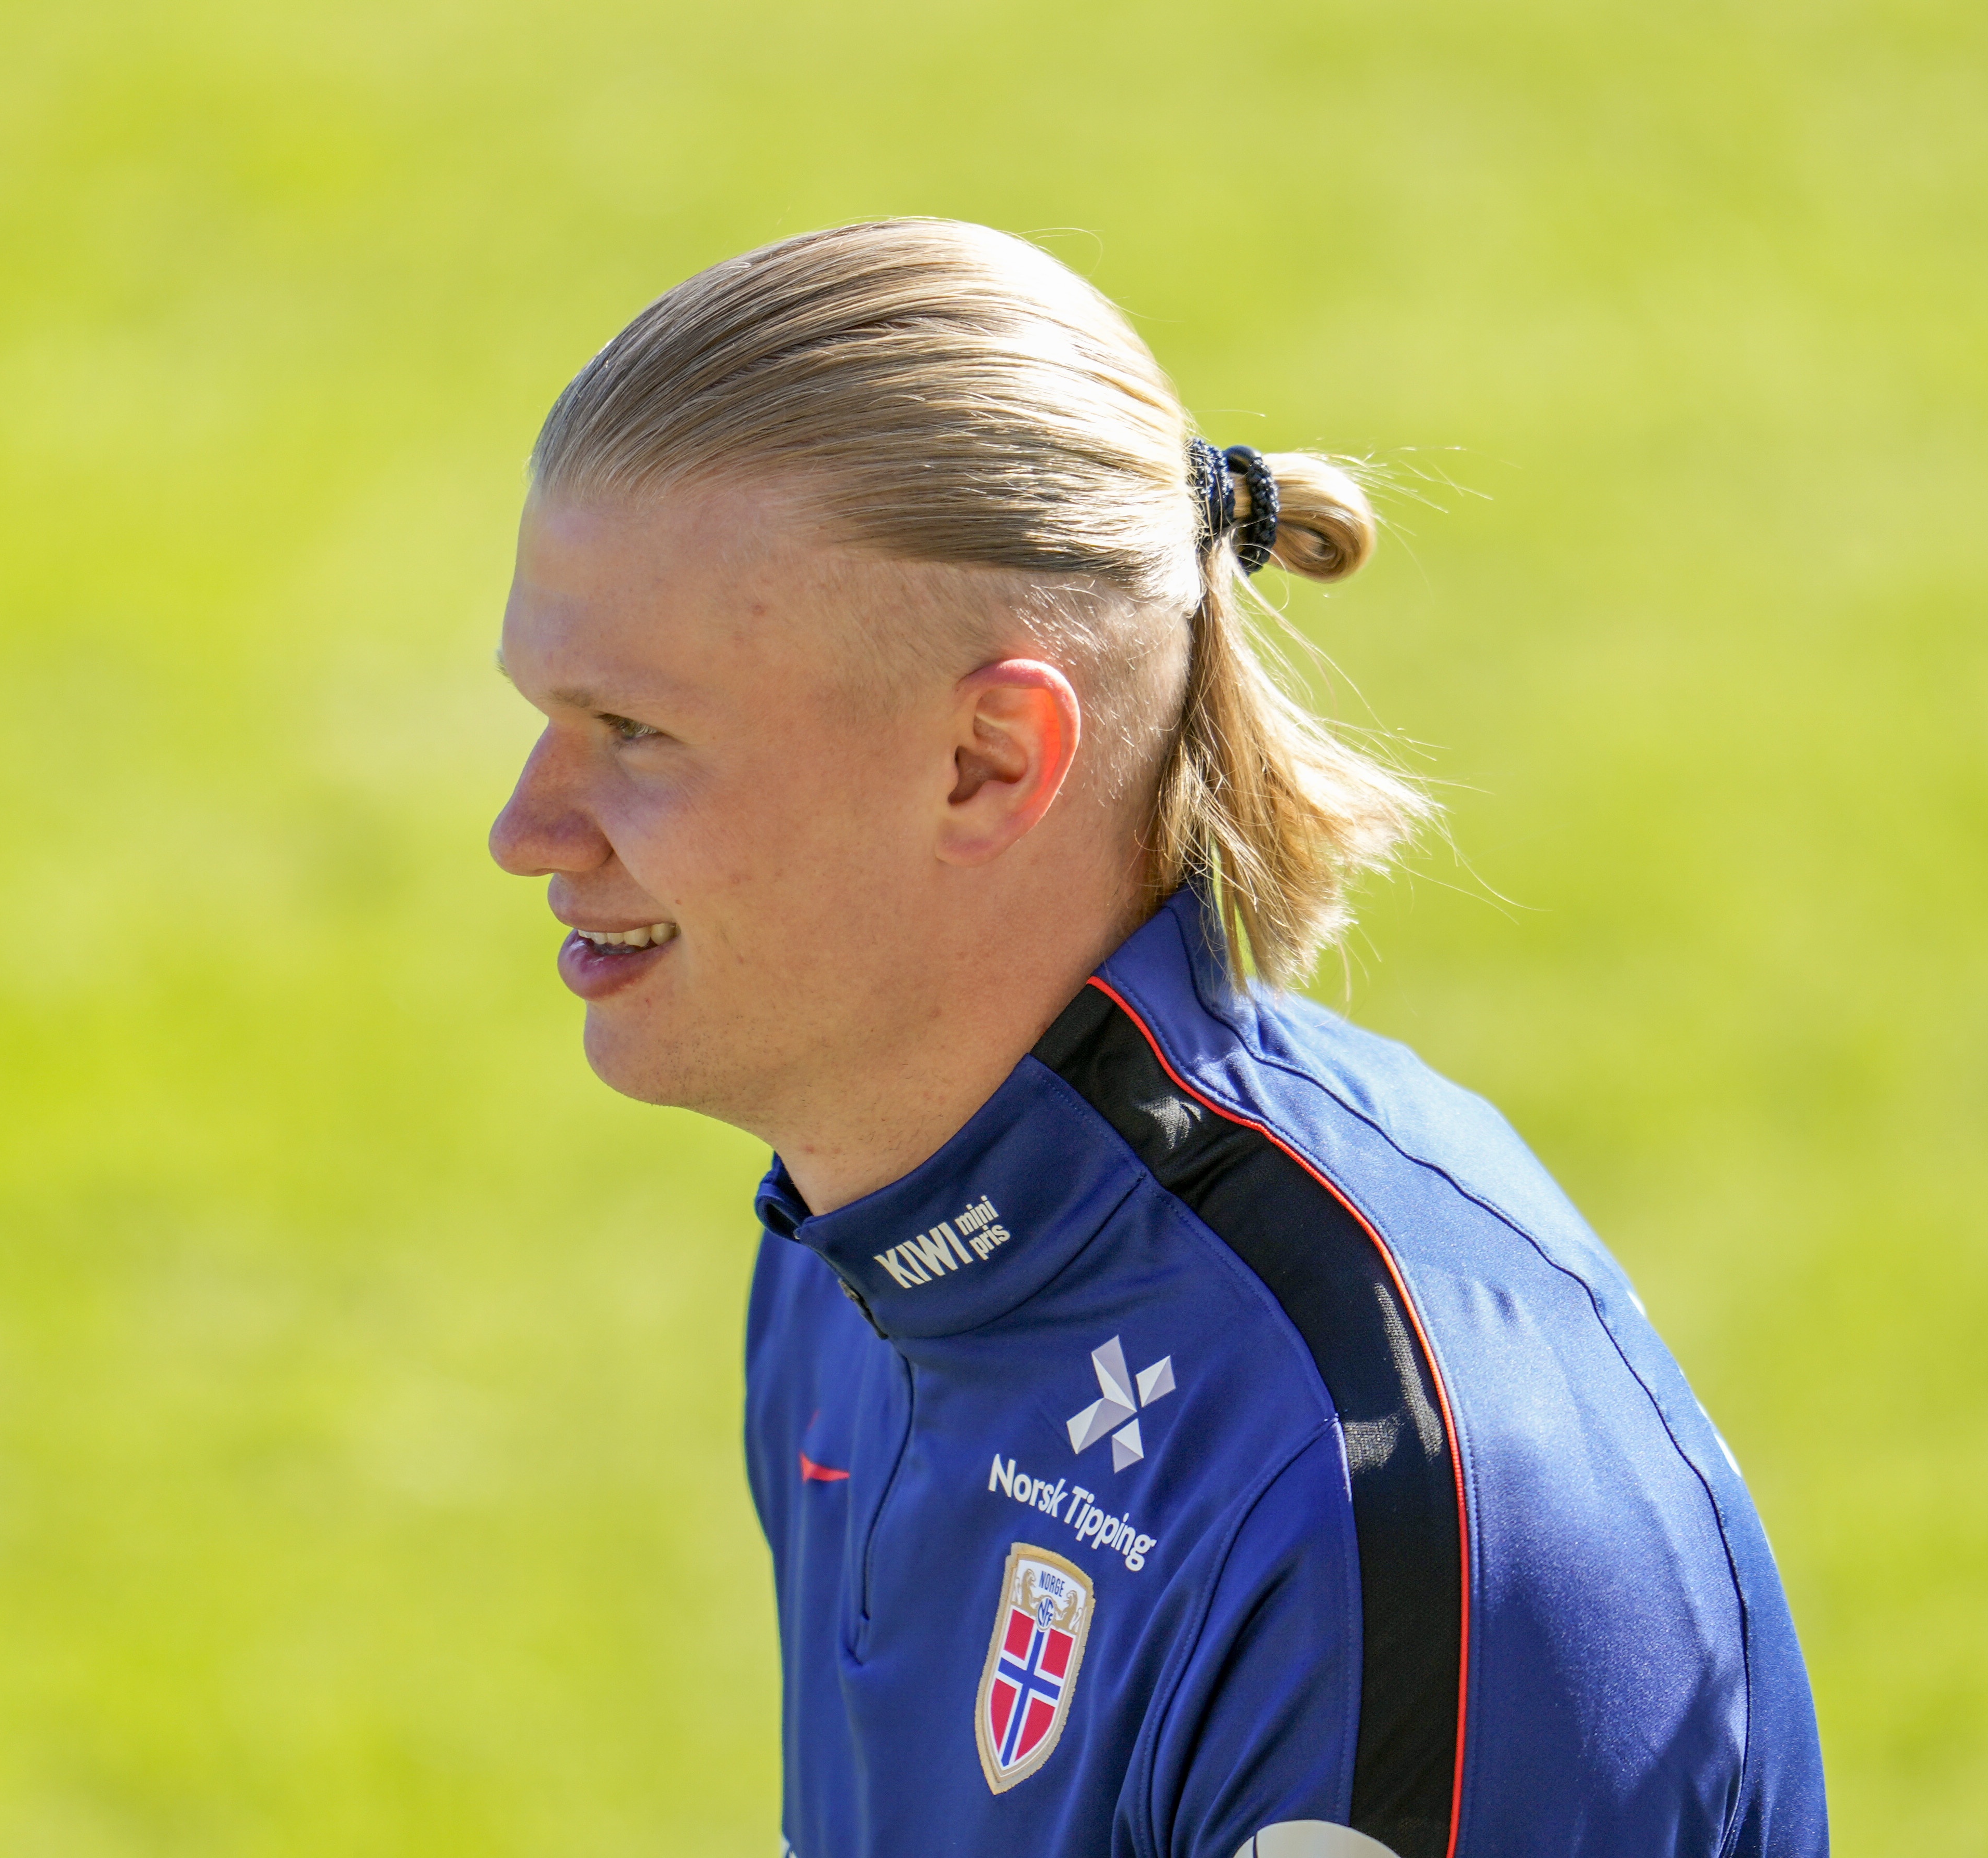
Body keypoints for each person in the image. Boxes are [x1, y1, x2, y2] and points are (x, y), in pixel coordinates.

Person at [486, 220, 1827, 1858]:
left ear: (989, 761)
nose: (525, 829)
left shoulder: (1369, 1498)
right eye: (545, 718)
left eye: (636, 734)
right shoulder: (863, 1232)